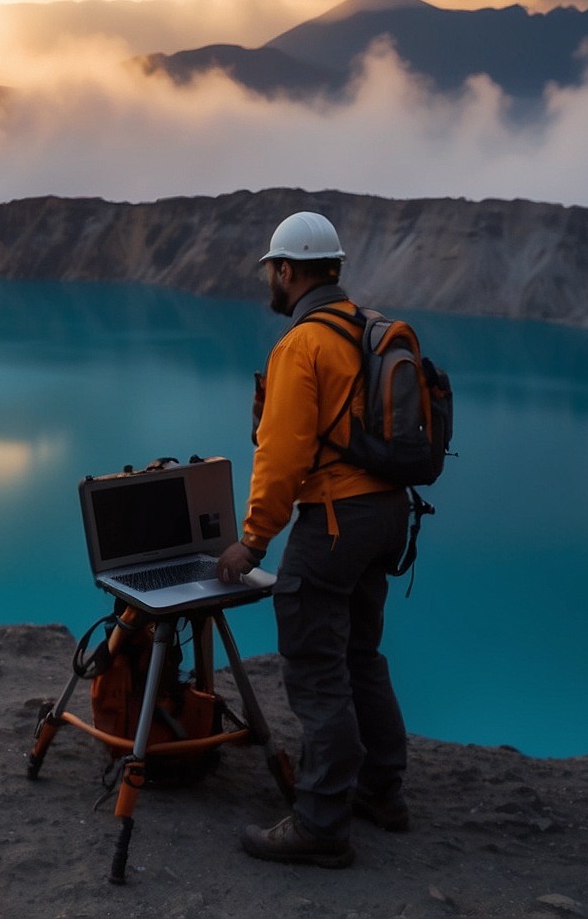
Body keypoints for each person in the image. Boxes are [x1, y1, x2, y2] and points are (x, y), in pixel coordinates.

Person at [214, 212, 411, 867]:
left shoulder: (302, 346)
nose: (269, 280)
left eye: (272, 269)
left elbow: (282, 454)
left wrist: (254, 540)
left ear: (289, 270)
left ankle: (322, 822)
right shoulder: (365, 328)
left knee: (317, 665)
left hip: (333, 520)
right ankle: (382, 790)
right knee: (360, 654)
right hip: (387, 512)